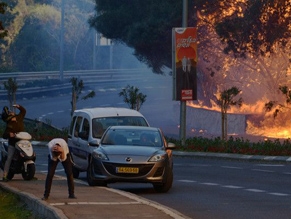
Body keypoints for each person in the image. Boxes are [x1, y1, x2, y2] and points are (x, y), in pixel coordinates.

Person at [2, 104, 26, 182]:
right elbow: (4, 135)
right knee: (9, 158)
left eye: (11, 112)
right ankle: (5, 175)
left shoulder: (19, 117)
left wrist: (18, 106)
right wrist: (9, 134)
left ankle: (28, 172)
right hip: (13, 143)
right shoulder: (9, 125)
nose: (12, 112)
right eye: (10, 113)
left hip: (22, 142)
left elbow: (23, 111)